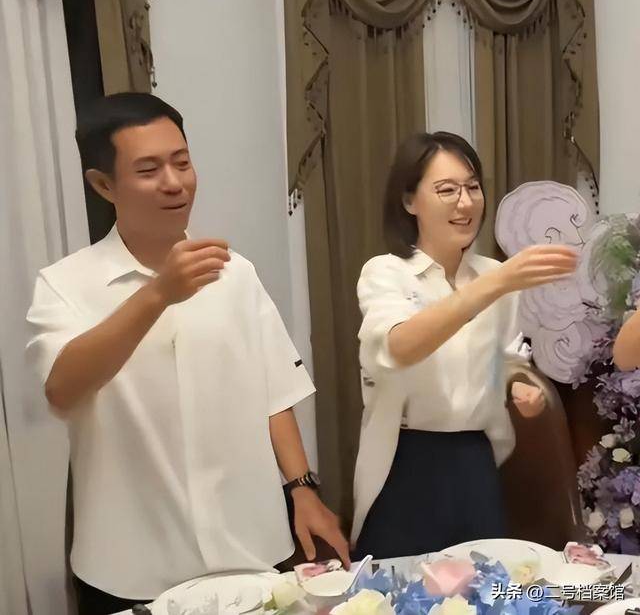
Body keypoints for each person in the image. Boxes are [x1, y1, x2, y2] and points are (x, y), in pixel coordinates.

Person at [25, 92, 349, 615]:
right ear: (104, 185)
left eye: (182, 162)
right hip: (131, 564)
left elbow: (275, 391)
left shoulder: (235, 272)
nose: (174, 182)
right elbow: (62, 389)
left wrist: (302, 489)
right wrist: (158, 294)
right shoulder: (64, 284)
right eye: (148, 169)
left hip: (252, 547)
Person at [351, 132, 577, 559]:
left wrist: (516, 386)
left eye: (473, 187)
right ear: (409, 201)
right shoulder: (386, 272)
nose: (466, 202)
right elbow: (399, 346)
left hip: (476, 458)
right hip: (407, 459)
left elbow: (504, 359)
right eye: (447, 190)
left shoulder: (492, 275)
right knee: (398, 585)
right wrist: (496, 283)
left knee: (484, 582)